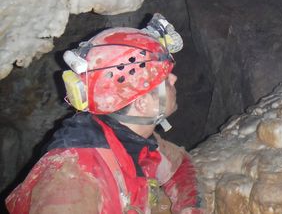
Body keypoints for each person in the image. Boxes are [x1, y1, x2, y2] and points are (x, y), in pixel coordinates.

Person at [5, 14, 205, 214]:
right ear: (142, 103)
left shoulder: (135, 141)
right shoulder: (72, 180)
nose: (174, 78)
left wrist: (191, 208)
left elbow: (181, 166)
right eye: (165, 79)